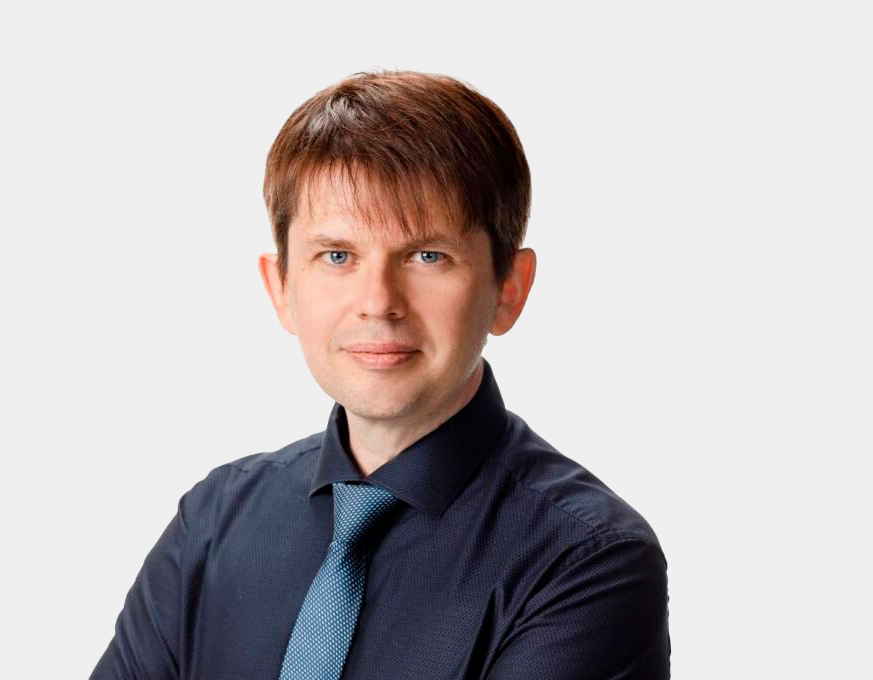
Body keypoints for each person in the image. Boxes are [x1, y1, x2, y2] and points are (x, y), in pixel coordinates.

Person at [91, 69, 670, 680]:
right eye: (337, 255)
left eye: (427, 256)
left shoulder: (586, 562)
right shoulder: (211, 523)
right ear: (280, 287)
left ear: (508, 288)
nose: (378, 302)